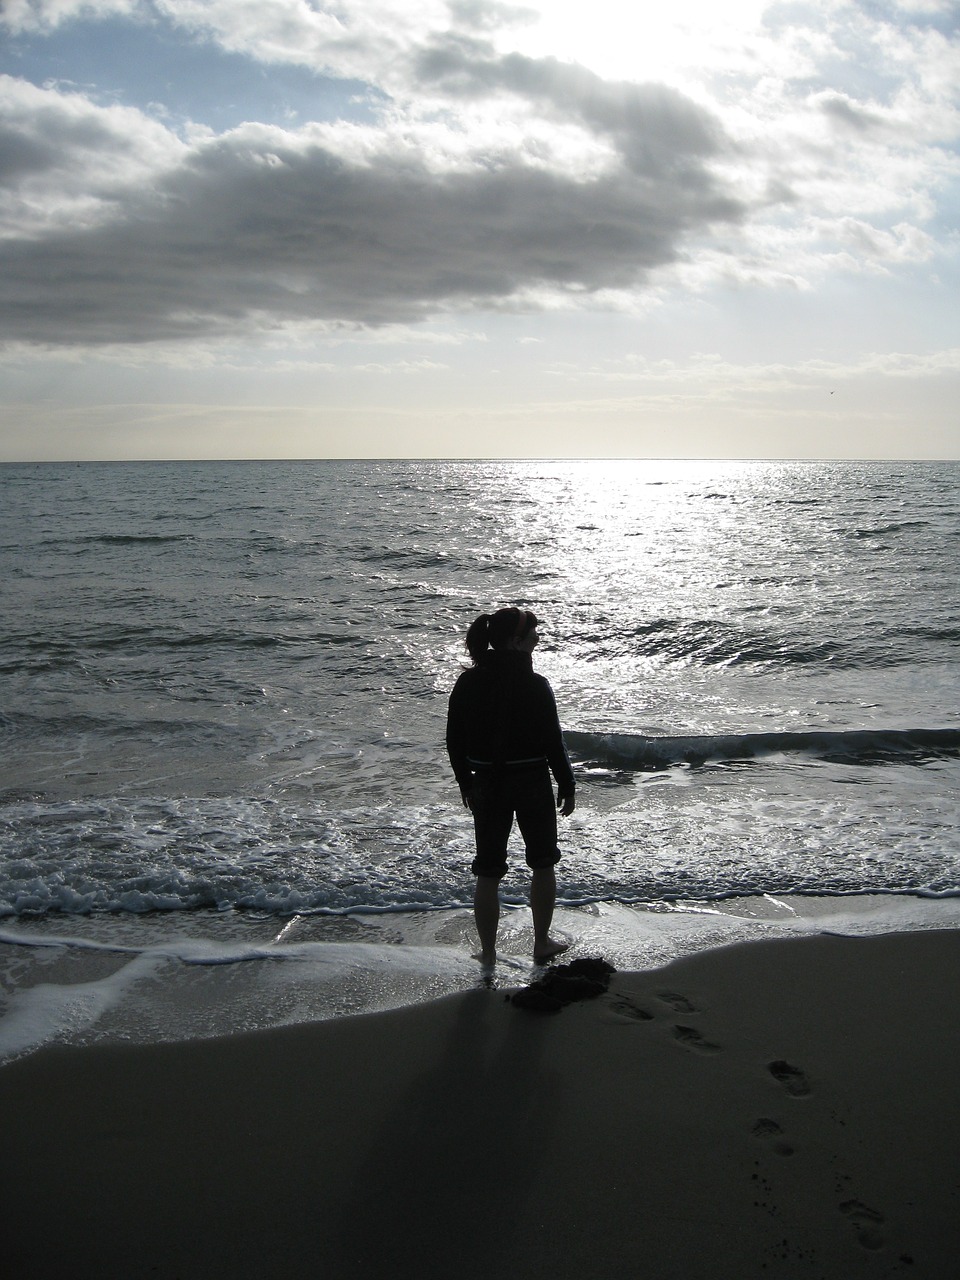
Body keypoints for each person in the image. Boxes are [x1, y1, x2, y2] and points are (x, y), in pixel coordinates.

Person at [446, 606, 576, 966]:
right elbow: (553, 741)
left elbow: (454, 740)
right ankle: (541, 944)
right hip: (531, 780)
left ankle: (488, 954)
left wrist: (464, 781)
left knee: (488, 870)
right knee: (543, 862)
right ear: (517, 642)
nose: (538, 639)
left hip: (486, 782)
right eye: (533, 634)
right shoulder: (535, 685)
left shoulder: (468, 683)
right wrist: (567, 782)